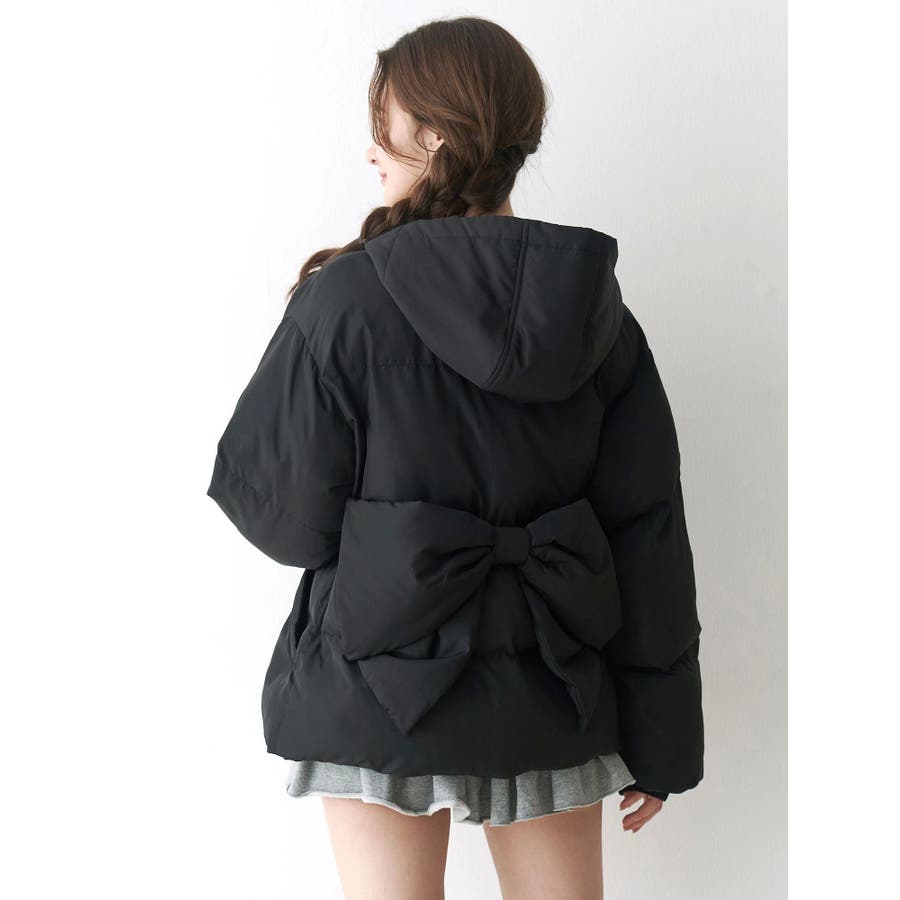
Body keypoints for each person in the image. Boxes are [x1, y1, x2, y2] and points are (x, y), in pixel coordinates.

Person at [206, 15, 703, 900]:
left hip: (376, 688)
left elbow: (288, 523)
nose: (370, 150)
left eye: (384, 124)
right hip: (552, 686)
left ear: (433, 137)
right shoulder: (600, 317)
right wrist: (664, 742)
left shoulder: (343, 303)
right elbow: (648, 533)